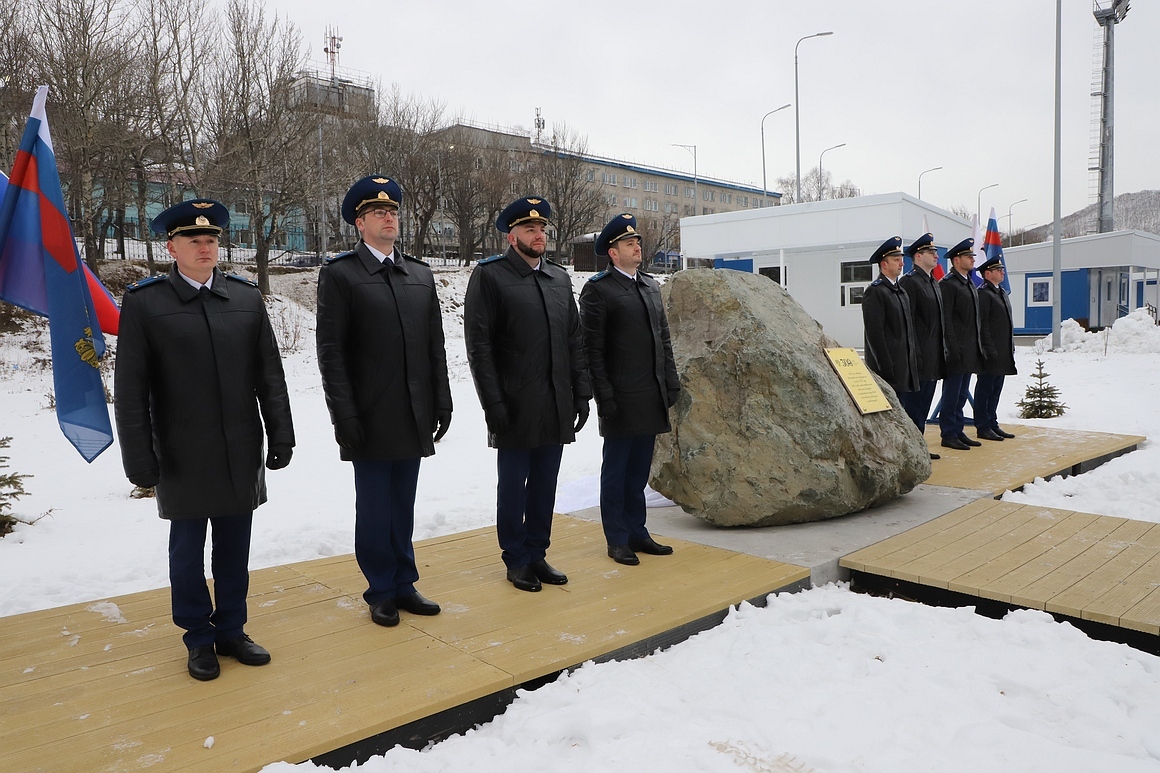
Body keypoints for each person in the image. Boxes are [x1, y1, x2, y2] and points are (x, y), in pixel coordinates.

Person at [114, 199, 294, 681]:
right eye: (193, 240)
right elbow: (130, 393)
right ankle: (198, 637)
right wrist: (139, 459)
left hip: (239, 447)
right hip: (180, 452)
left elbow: (269, 376)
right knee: (187, 553)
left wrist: (282, 432)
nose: (204, 247)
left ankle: (232, 629)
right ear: (171, 247)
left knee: (235, 548)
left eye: (211, 239)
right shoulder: (146, 303)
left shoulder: (245, 298)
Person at [316, 175, 452, 627]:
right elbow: (331, 353)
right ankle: (380, 588)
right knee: (374, 506)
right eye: (378, 212)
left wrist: (442, 399)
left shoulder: (419, 273)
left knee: (403, 502)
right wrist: (344, 415)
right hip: (370, 414)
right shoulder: (341, 275)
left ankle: (404, 581)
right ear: (359, 223)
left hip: (413, 409)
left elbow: (434, 342)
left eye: (392, 210)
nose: (388, 217)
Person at [464, 196, 591, 592]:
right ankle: (516, 557)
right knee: (514, 484)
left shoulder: (558, 278)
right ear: (511, 234)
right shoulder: (490, 277)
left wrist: (581, 392)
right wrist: (493, 404)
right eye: (530, 229)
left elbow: (574, 338)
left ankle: (537, 552)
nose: (539, 236)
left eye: (542, 230)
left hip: (555, 401)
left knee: (544, 484)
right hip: (515, 404)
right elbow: (479, 347)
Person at [579, 214, 681, 567]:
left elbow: (663, 339)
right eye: (628, 243)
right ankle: (617, 538)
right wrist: (602, 394)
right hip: (620, 396)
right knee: (617, 470)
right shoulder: (599, 289)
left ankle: (638, 531)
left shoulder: (650, 286)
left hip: (650, 392)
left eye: (637, 242)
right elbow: (591, 348)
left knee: (639, 470)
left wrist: (670, 380)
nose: (637, 247)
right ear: (613, 252)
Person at [898, 233, 947, 460]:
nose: (936, 256)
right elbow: (908, 322)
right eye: (931, 253)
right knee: (912, 406)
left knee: (924, 405)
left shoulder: (932, 281)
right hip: (919, 357)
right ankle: (908, 450)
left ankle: (919, 445)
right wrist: (914, 354)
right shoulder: (910, 282)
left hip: (933, 356)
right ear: (918, 256)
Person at [938, 238, 985, 451]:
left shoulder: (968, 282)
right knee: (952, 393)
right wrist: (952, 346)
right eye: (969, 257)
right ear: (957, 260)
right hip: (956, 348)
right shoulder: (948, 285)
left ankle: (958, 430)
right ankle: (948, 433)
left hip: (968, 348)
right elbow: (946, 319)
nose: (972, 259)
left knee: (962, 393)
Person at [861, 236, 919, 398]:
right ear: (884, 264)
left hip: (904, 367)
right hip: (889, 369)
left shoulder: (900, 291)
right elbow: (875, 334)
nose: (902, 263)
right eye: (896, 260)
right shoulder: (876, 291)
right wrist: (886, 367)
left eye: (901, 259)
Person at [974, 255, 1017, 441]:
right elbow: (981, 324)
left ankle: (992, 422)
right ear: (987, 273)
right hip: (990, 351)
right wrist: (988, 348)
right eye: (998, 270)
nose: (1002, 272)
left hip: (1003, 350)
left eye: (1002, 269)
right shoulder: (984, 293)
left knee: (996, 389)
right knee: (985, 388)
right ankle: (982, 426)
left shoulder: (1000, 292)